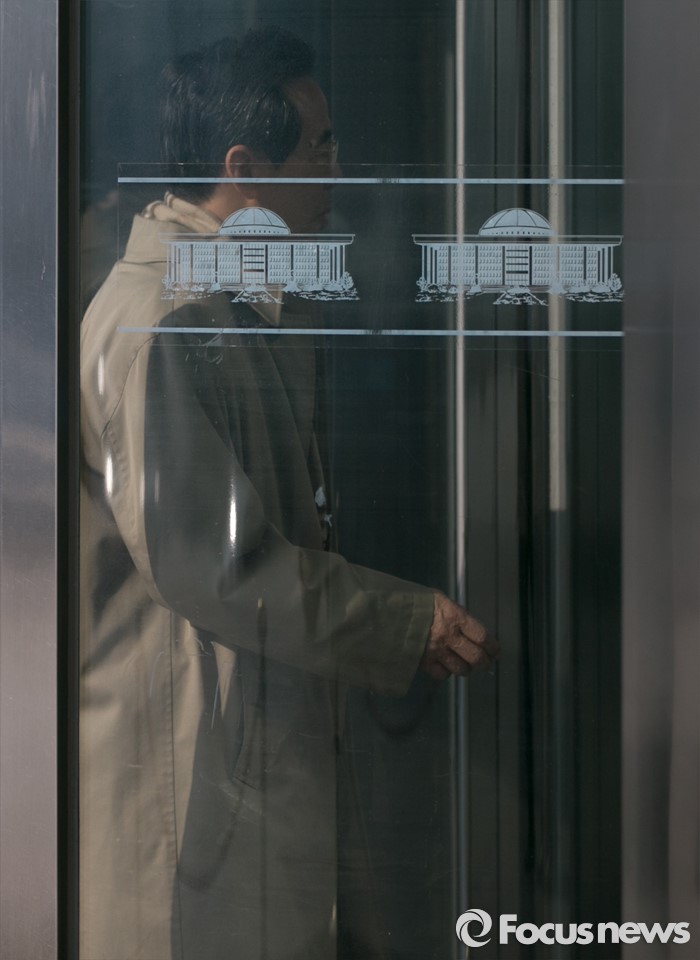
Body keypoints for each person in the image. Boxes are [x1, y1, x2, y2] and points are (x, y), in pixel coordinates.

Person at [79, 26, 498, 960]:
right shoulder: (167, 321)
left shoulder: (224, 302)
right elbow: (217, 569)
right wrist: (404, 623)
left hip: (234, 764)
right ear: (244, 170)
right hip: (189, 784)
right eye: (322, 147)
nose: (340, 173)